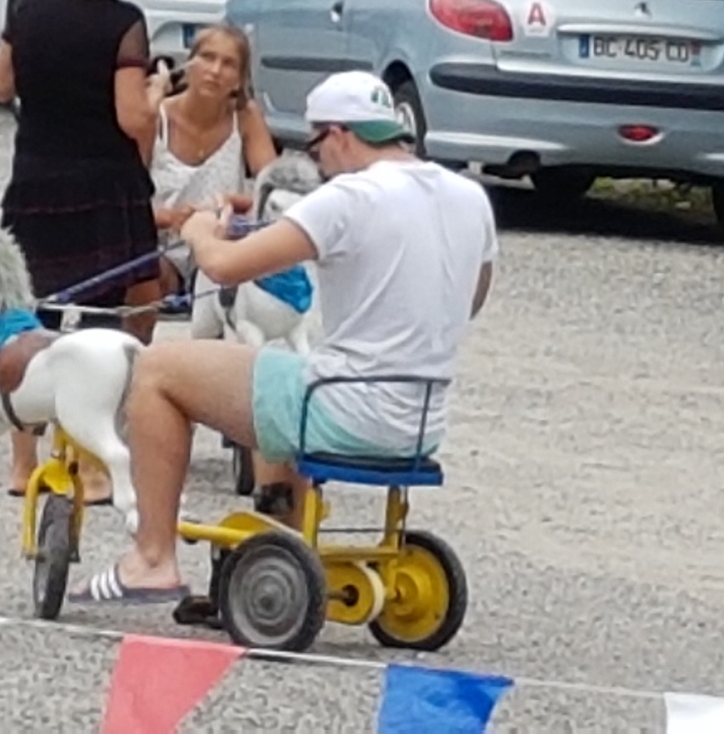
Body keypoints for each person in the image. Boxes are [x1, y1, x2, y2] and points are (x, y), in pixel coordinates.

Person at [66, 69, 499, 605]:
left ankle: (152, 558)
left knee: (158, 370)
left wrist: (200, 232)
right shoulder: (469, 197)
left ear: (338, 135)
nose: (319, 164)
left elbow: (224, 268)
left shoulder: (349, 197)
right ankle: (283, 534)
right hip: (421, 420)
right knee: (276, 369)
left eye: (318, 148)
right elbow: (470, 301)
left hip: (345, 408)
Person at [0, 0, 170, 503]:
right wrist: (158, 92)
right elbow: (130, 118)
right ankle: (94, 462)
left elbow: (0, 84)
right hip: (103, 185)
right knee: (103, 315)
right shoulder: (123, 24)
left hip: (36, 174)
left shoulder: (29, 2)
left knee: (30, 311)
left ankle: (22, 458)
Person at [145, 22, 277, 341]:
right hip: (162, 248)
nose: (215, 70)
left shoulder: (245, 118)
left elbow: (271, 190)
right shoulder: (156, 118)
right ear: (190, 63)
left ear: (240, 79)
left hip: (220, 248)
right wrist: (169, 218)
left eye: (229, 63)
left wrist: (235, 204)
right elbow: (123, 202)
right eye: (207, 57)